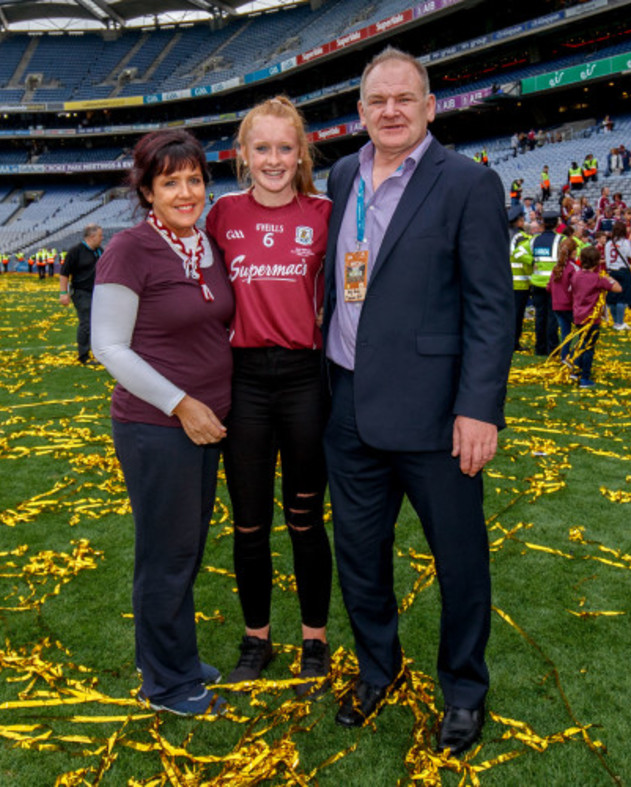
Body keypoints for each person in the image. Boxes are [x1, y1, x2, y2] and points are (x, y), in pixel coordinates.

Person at [322, 47, 513, 755]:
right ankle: (379, 668)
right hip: (347, 406)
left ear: (430, 106)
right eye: (377, 101)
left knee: (460, 560)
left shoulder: (466, 183)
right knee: (359, 556)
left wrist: (480, 407)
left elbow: (493, 308)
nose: (391, 111)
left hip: (439, 416)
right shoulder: (342, 175)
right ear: (361, 111)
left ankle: (463, 687)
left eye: (405, 98)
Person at [90, 129, 234, 716]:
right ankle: (168, 684)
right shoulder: (129, 248)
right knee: (166, 553)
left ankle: (173, 654)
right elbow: (109, 347)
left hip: (205, 424)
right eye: (170, 182)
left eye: (194, 179)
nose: (185, 192)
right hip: (159, 426)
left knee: (186, 547)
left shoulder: (204, 244)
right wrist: (181, 402)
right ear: (147, 191)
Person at [205, 96, 333, 696]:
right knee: (250, 524)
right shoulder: (221, 214)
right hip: (245, 380)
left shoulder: (327, 212)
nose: (275, 159)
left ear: (302, 152)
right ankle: (256, 638)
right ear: (243, 155)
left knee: (306, 520)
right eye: (263, 148)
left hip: (307, 379)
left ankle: (315, 639)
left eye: (286, 147)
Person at [570, 246, 621, 388]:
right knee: (589, 347)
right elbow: (618, 288)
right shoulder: (598, 278)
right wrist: (607, 277)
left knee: (581, 343)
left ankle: (575, 370)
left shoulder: (576, 275)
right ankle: (585, 378)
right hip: (592, 318)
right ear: (597, 262)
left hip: (578, 315)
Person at [59, 224, 103, 365]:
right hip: (81, 292)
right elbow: (64, 273)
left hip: (97, 293)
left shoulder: (99, 251)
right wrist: (63, 293)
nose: (102, 239)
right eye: (100, 236)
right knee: (86, 322)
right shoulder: (75, 251)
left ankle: (97, 352)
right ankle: (83, 355)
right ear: (91, 237)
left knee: (97, 323)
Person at [530, 211, 562, 355]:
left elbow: (517, 252)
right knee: (552, 317)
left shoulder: (533, 240)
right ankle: (552, 347)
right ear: (556, 223)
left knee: (540, 316)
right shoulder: (560, 240)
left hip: (537, 283)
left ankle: (539, 347)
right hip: (553, 284)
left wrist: (531, 262)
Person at [547, 236, 578, 363]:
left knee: (565, 333)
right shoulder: (572, 268)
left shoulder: (557, 267)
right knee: (582, 332)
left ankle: (564, 356)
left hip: (557, 305)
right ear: (573, 252)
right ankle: (576, 356)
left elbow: (549, 287)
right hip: (569, 305)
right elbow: (577, 287)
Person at [508, 205, 533, 352]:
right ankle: (514, 343)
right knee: (517, 315)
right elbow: (524, 259)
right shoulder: (522, 237)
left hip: (504, 280)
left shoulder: (504, 234)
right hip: (520, 282)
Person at [605, 220, 631, 330]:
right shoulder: (625, 242)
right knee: (621, 298)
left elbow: (607, 259)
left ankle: (615, 322)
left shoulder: (608, 243)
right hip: (623, 271)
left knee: (612, 298)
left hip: (612, 271)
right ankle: (620, 322)